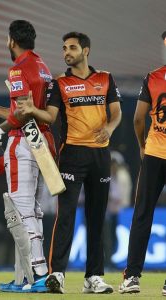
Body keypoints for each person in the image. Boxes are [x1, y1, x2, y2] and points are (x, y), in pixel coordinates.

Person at [17, 31, 122, 294]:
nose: (67, 52)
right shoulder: (59, 83)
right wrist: (31, 110)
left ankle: (93, 277)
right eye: (64, 48)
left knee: (97, 218)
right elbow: (50, 117)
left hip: (100, 155)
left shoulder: (105, 78)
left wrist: (109, 128)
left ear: (85, 51)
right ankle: (58, 275)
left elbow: (117, 112)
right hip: (72, 155)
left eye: (72, 47)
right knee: (65, 216)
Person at [0, 20, 54, 293]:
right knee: (33, 210)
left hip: (23, 143)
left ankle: (40, 273)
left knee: (21, 212)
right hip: (42, 142)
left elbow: (20, 115)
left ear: (11, 41)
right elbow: (22, 111)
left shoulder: (18, 68)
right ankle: (25, 278)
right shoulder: (42, 67)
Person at [119, 31, 166, 295]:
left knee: (142, 216)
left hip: (154, 154)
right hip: (155, 153)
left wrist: (141, 146)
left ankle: (132, 277)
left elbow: (138, 119)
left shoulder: (154, 76)